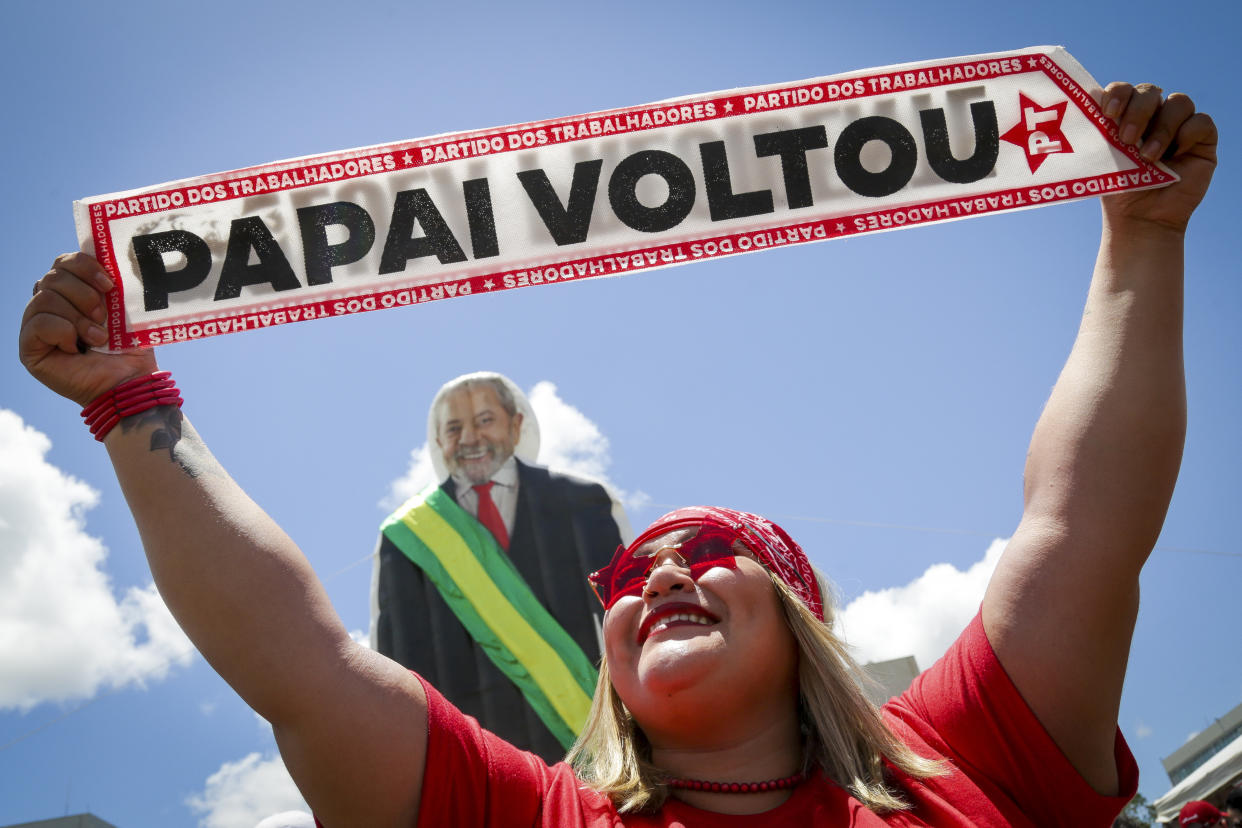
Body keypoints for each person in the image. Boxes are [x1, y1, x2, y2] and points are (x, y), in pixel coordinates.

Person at [18, 81, 1215, 826]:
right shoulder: (525, 814)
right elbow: (304, 665)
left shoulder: (971, 758)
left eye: (705, 550)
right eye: (628, 580)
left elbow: (1082, 524)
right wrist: (131, 404)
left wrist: (1141, 244)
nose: (655, 579)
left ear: (799, 607)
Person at [372, 371, 627, 761]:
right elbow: (400, 661)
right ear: (439, 442)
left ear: (516, 423)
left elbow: (628, 618)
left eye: (485, 420)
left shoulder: (582, 500)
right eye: (454, 428)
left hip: (596, 741)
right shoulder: (409, 535)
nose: (470, 438)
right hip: (478, 760)